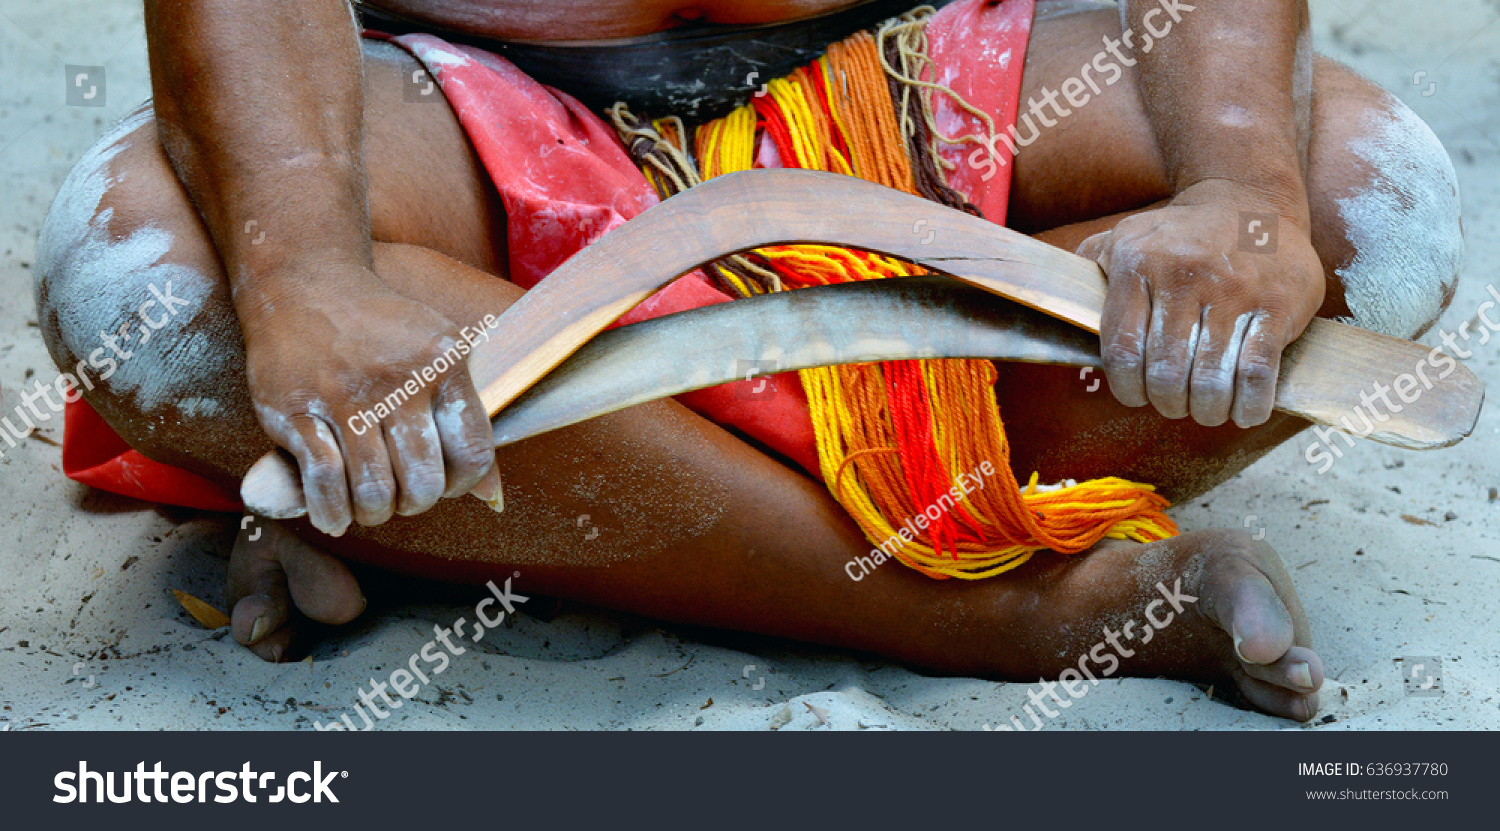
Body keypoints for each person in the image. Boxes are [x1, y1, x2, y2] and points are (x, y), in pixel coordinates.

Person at [33, 0, 1462, 722]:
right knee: (150, 293)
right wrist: (309, 274)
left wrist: (1237, 186)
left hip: (915, 62)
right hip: (461, 99)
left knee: (1365, 215)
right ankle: (997, 612)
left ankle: (470, 518)